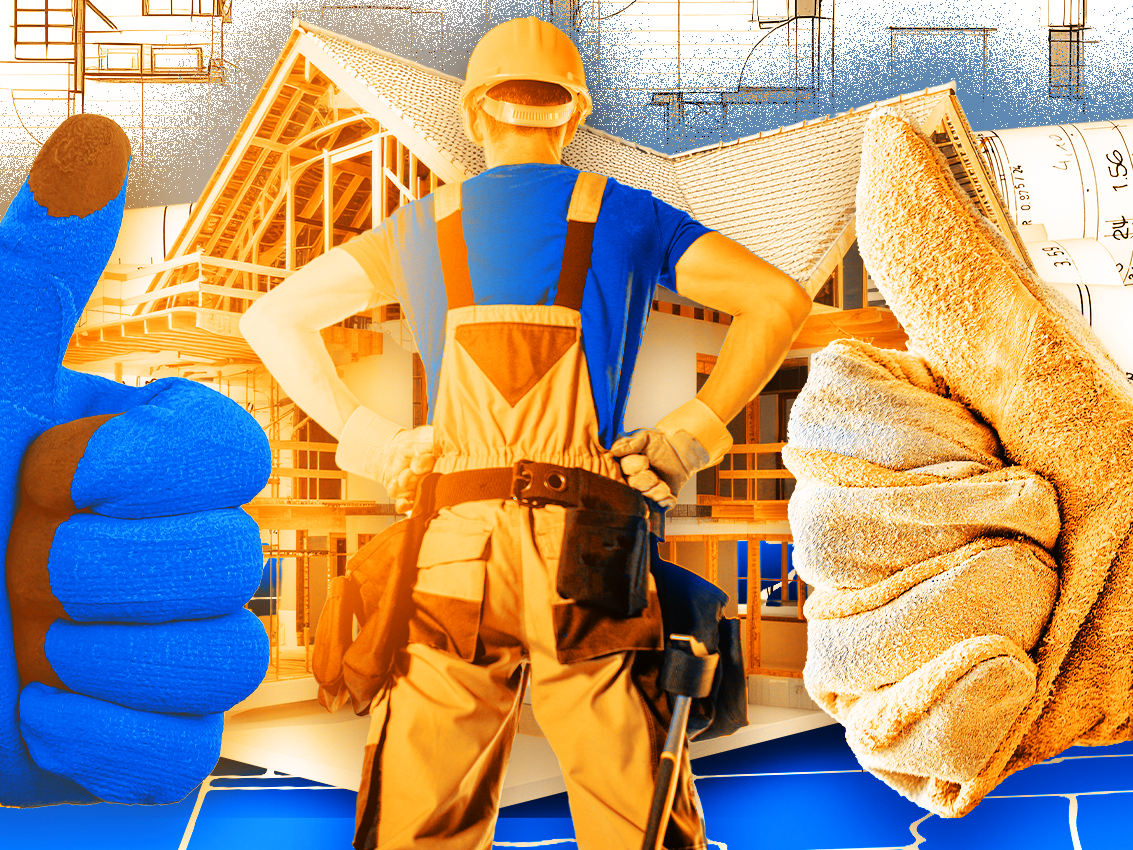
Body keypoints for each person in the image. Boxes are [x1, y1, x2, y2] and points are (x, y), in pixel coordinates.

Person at [240, 17, 811, 849]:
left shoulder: (421, 228)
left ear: (476, 116)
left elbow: (274, 318)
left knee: (416, 822)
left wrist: (373, 440)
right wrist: (688, 432)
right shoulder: (629, 217)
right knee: (633, 819)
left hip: (453, 547)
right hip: (591, 547)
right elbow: (779, 302)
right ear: (573, 119)